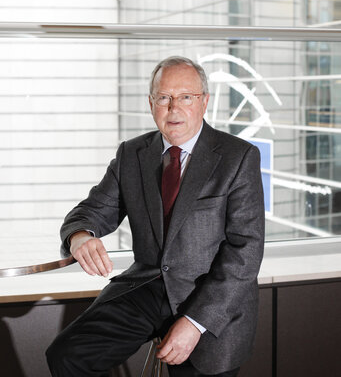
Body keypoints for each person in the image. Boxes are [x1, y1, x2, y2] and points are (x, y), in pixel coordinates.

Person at [46, 56, 265, 377]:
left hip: (207, 296)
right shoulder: (132, 154)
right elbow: (90, 212)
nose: (174, 107)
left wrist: (195, 323)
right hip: (147, 287)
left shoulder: (238, 157)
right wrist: (81, 235)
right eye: (164, 97)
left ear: (204, 102)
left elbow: (246, 252)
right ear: (151, 103)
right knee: (67, 355)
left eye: (186, 97)